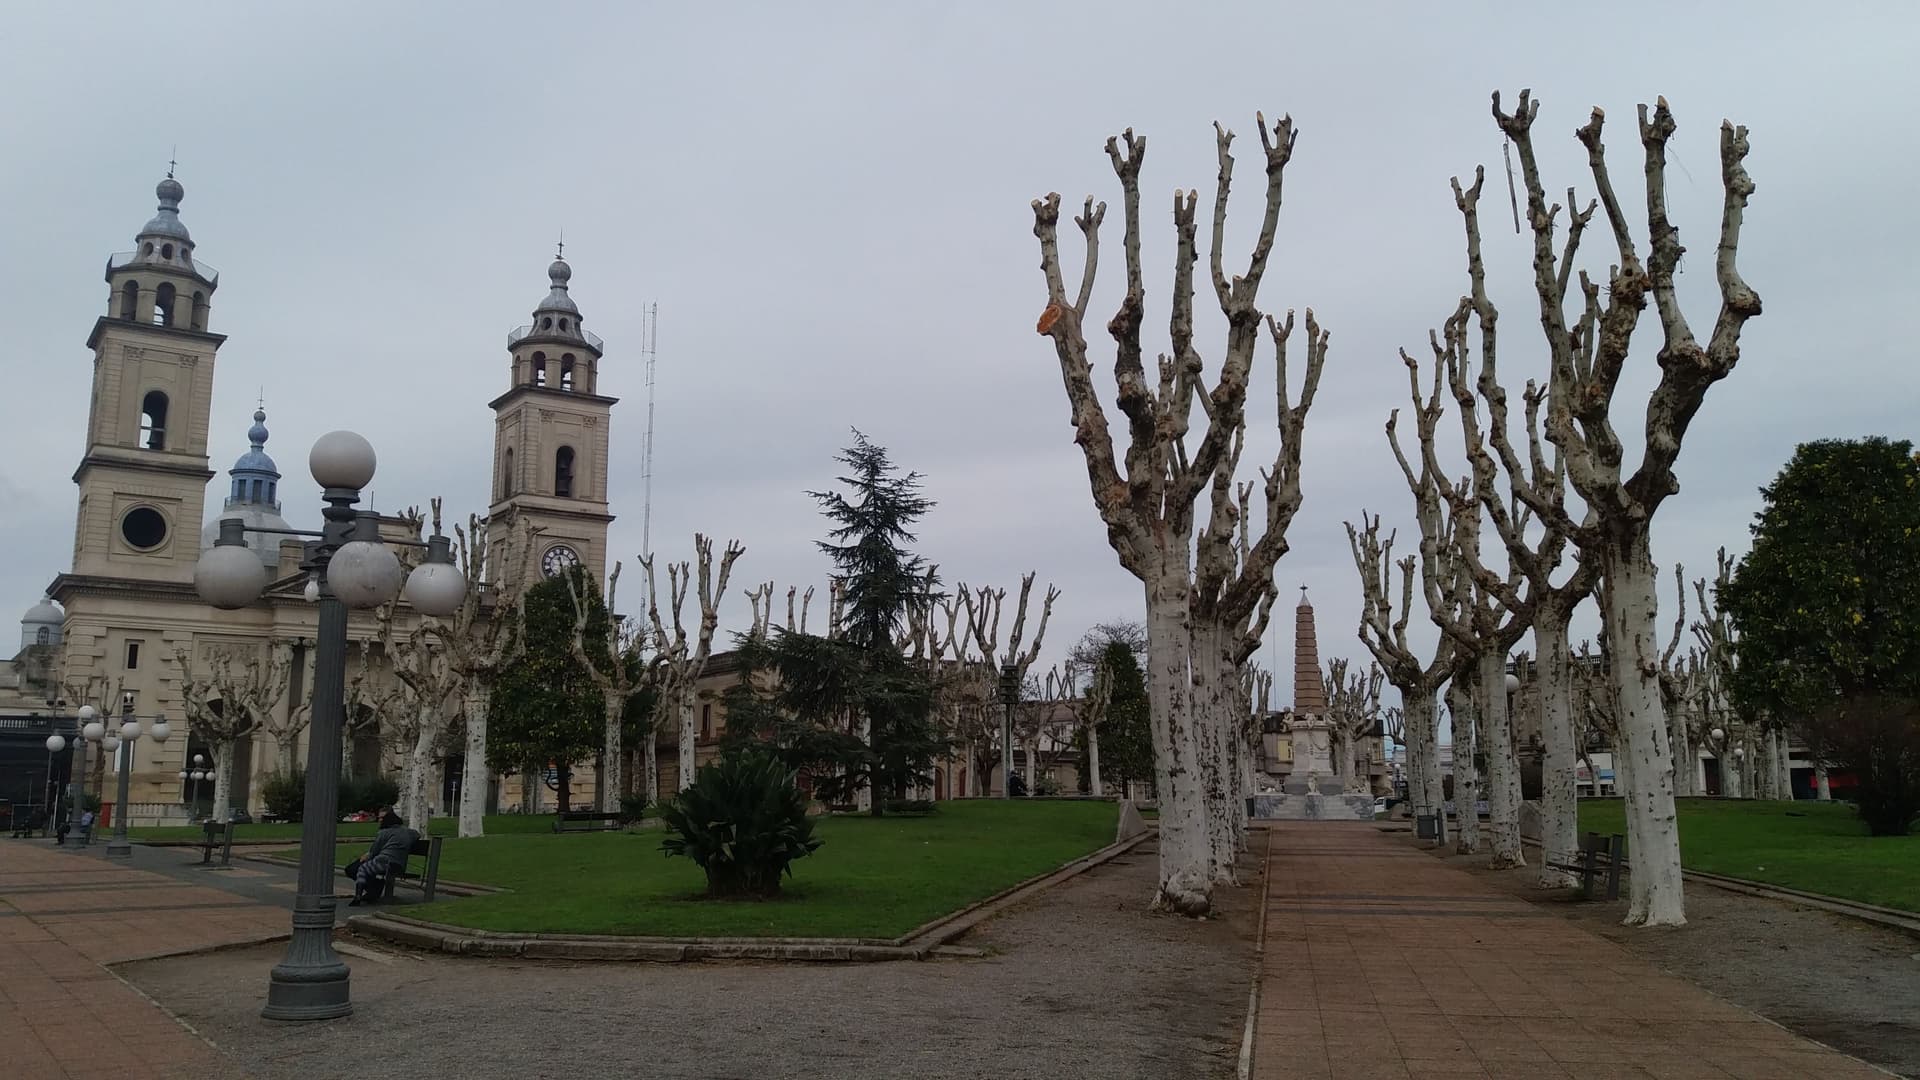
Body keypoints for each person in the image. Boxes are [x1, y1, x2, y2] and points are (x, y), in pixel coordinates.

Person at [349, 810, 418, 906]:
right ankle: (373, 890)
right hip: (399, 864)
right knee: (363, 868)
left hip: (384, 861)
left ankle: (358, 895)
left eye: (382, 819)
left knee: (362, 869)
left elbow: (374, 851)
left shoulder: (384, 832)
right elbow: (417, 834)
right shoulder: (408, 832)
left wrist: (366, 857)